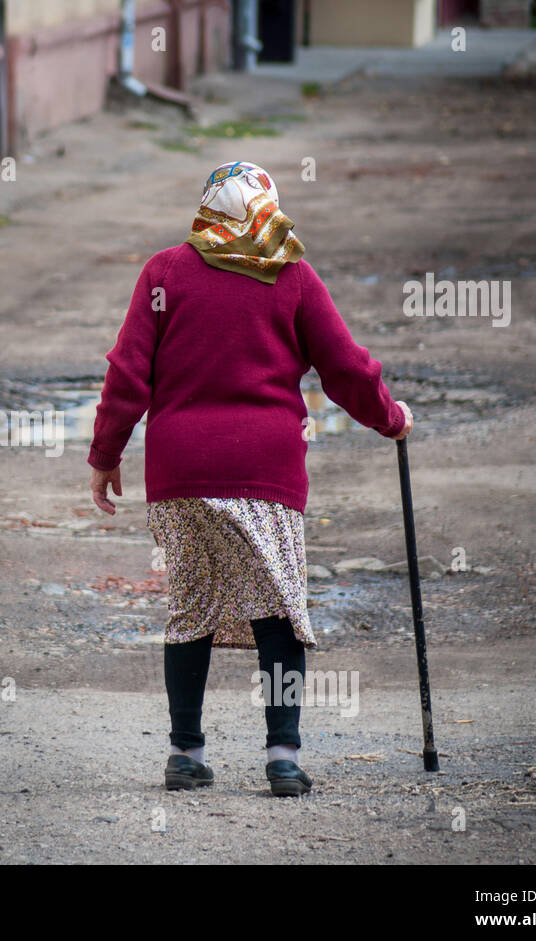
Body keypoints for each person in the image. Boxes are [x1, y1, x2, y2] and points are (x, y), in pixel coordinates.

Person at [87, 160, 412, 796]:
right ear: (268, 208)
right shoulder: (291, 276)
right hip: (267, 470)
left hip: (181, 473)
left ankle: (185, 752)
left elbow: (128, 374)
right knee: (279, 611)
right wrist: (390, 418)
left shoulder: (165, 273)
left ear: (207, 209)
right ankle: (282, 757)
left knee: (191, 607)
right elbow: (345, 367)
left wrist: (105, 454)